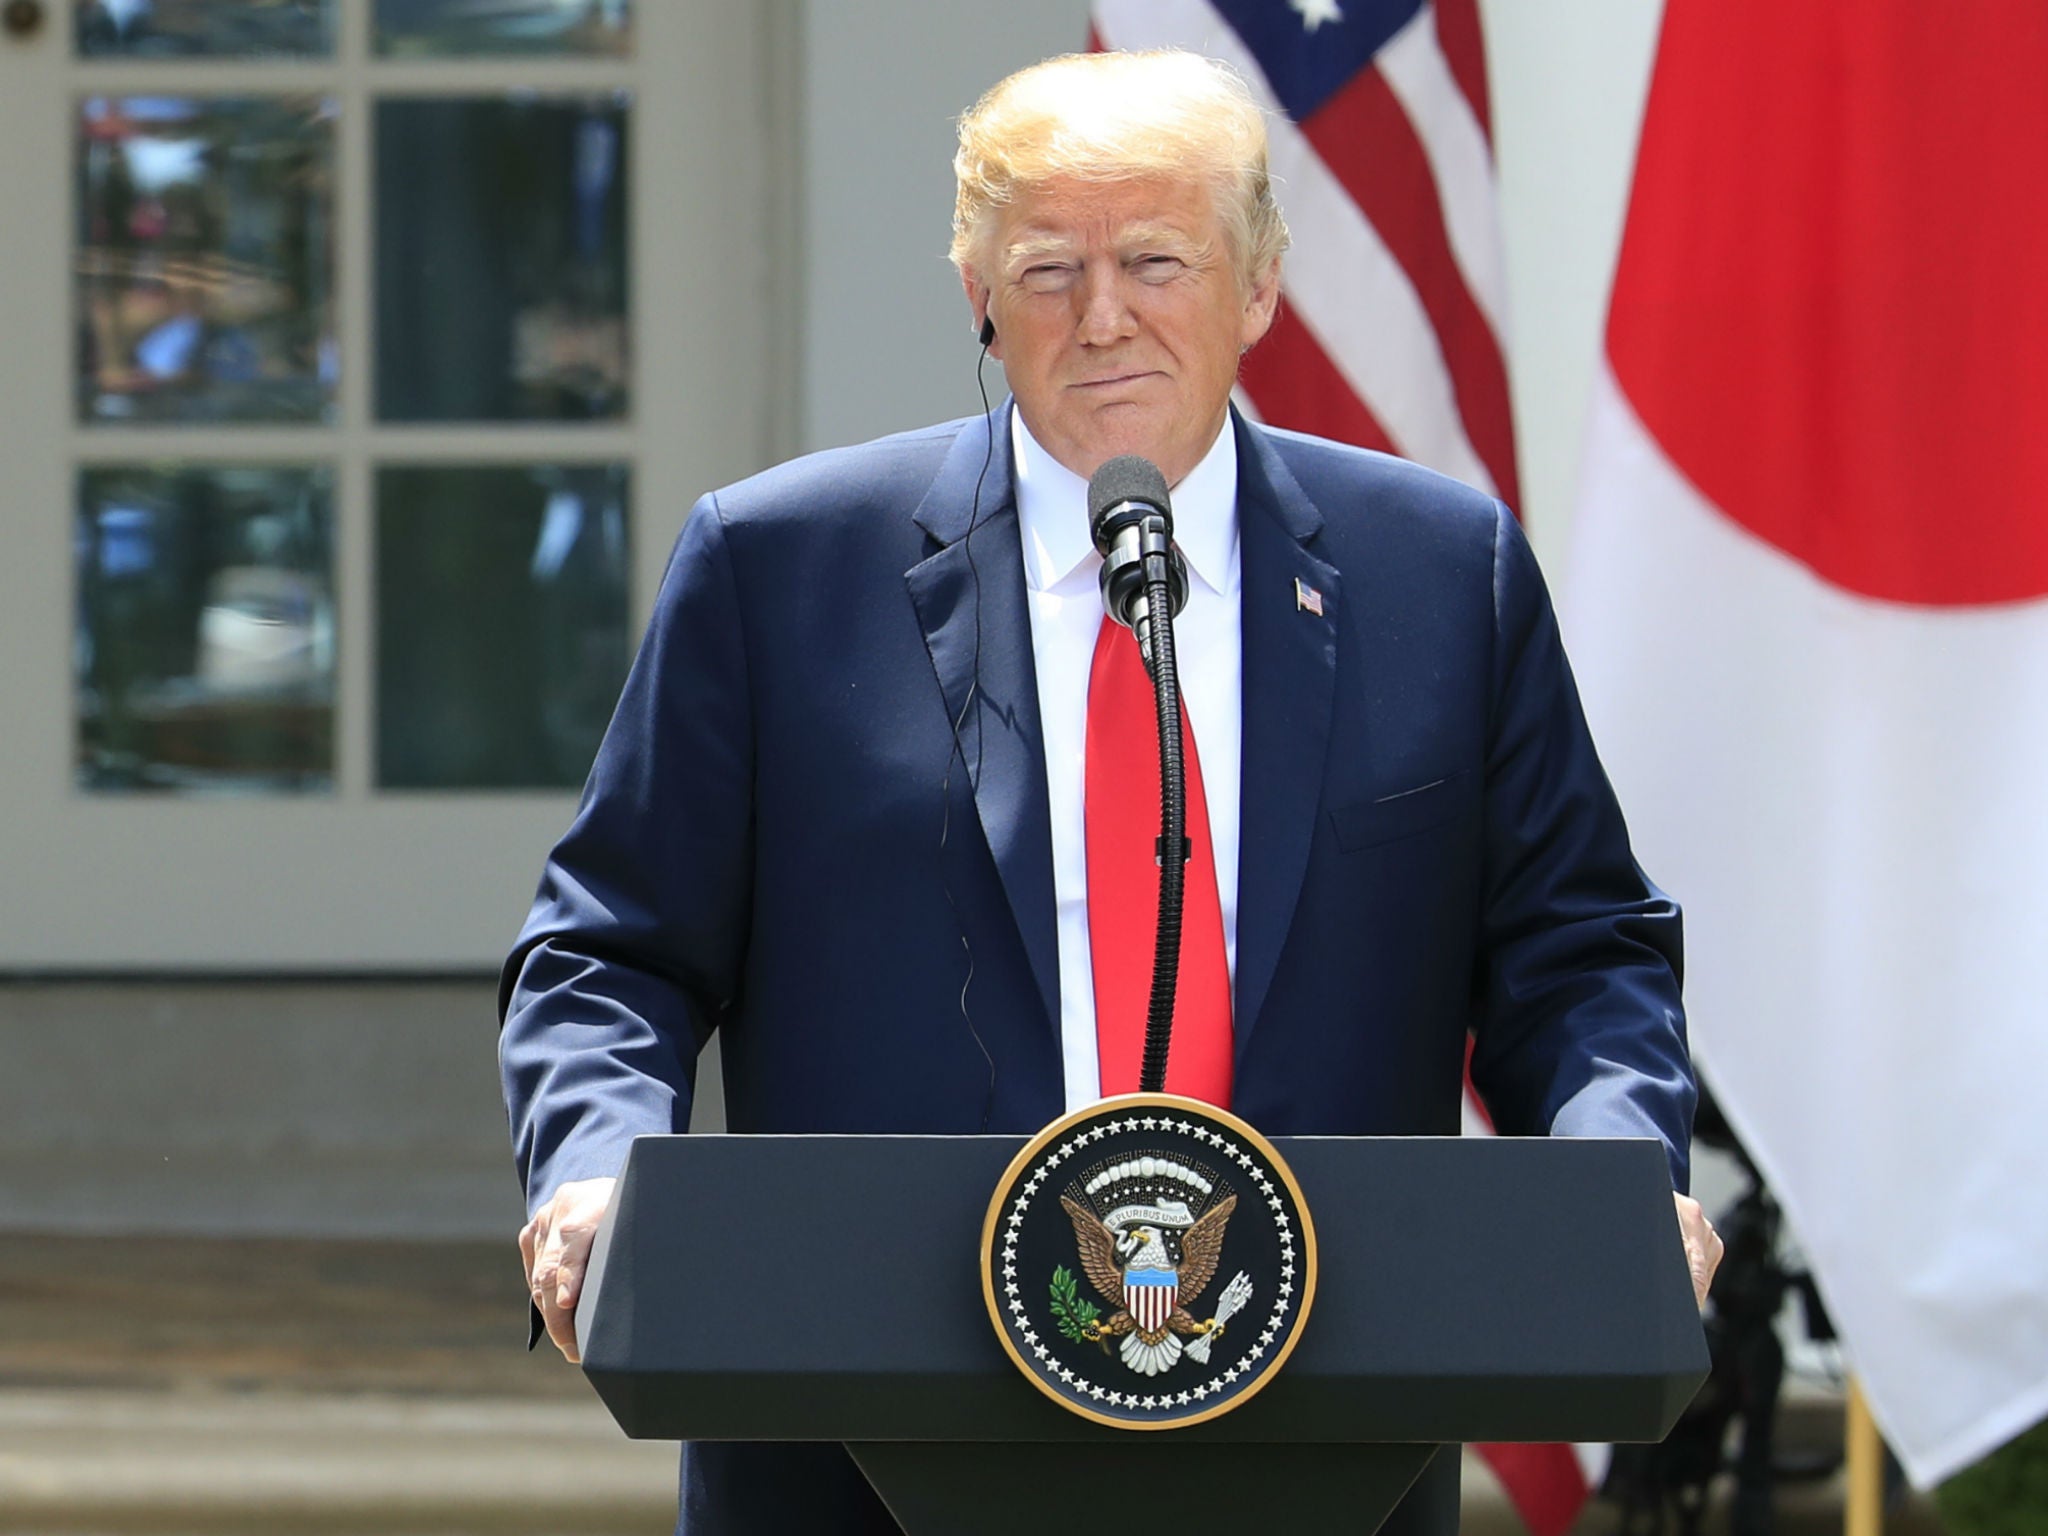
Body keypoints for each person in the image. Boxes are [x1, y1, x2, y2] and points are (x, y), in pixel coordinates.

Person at [500, 49, 1722, 1536]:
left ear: (1259, 285)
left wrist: (1617, 1180)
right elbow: (610, 946)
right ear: (978, 293)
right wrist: (594, 1171)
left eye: (1156, 259)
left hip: (1326, 1422)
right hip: (860, 1439)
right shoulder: (780, 569)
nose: (1104, 316)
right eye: (1049, 267)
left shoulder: (1438, 573)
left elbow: (1575, 955)